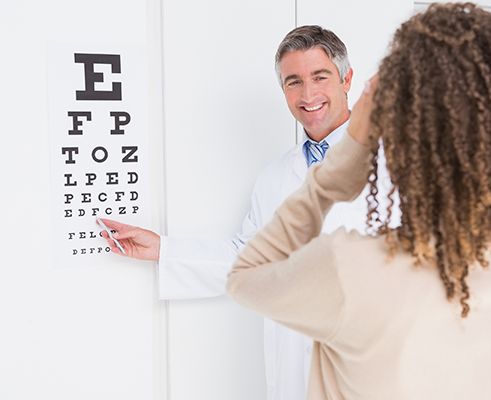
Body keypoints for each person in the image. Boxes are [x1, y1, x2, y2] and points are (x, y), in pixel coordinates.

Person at [227, 3, 491, 399]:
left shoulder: (356, 266)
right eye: (294, 82)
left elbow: (247, 276)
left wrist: (331, 178)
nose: (308, 93)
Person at [100, 26, 391, 400]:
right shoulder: (274, 177)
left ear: (346, 79)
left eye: (320, 77)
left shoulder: (394, 162)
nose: (308, 94)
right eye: (293, 82)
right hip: (296, 369)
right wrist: (163, 249)